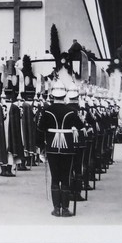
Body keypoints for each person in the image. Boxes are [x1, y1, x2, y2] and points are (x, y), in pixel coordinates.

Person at [38, 85, 84, 218]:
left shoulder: (46, 111)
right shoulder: (71, 111)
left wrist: (41, 147)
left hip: (52, 148)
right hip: (67, 148)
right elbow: (81, 126)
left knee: (54, 177)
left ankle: (56, 208)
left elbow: (40, 130)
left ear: (52, 96)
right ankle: (65, 208)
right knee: (65, 177)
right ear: (64, 96)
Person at [1, 86, 26, 175]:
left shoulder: (0, 106)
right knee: (11, 151)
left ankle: (3, 170)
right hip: (11, 132)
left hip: (1, 131)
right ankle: (8, 170)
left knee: (3, 150)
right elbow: (17, 123)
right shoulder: (14, 107)